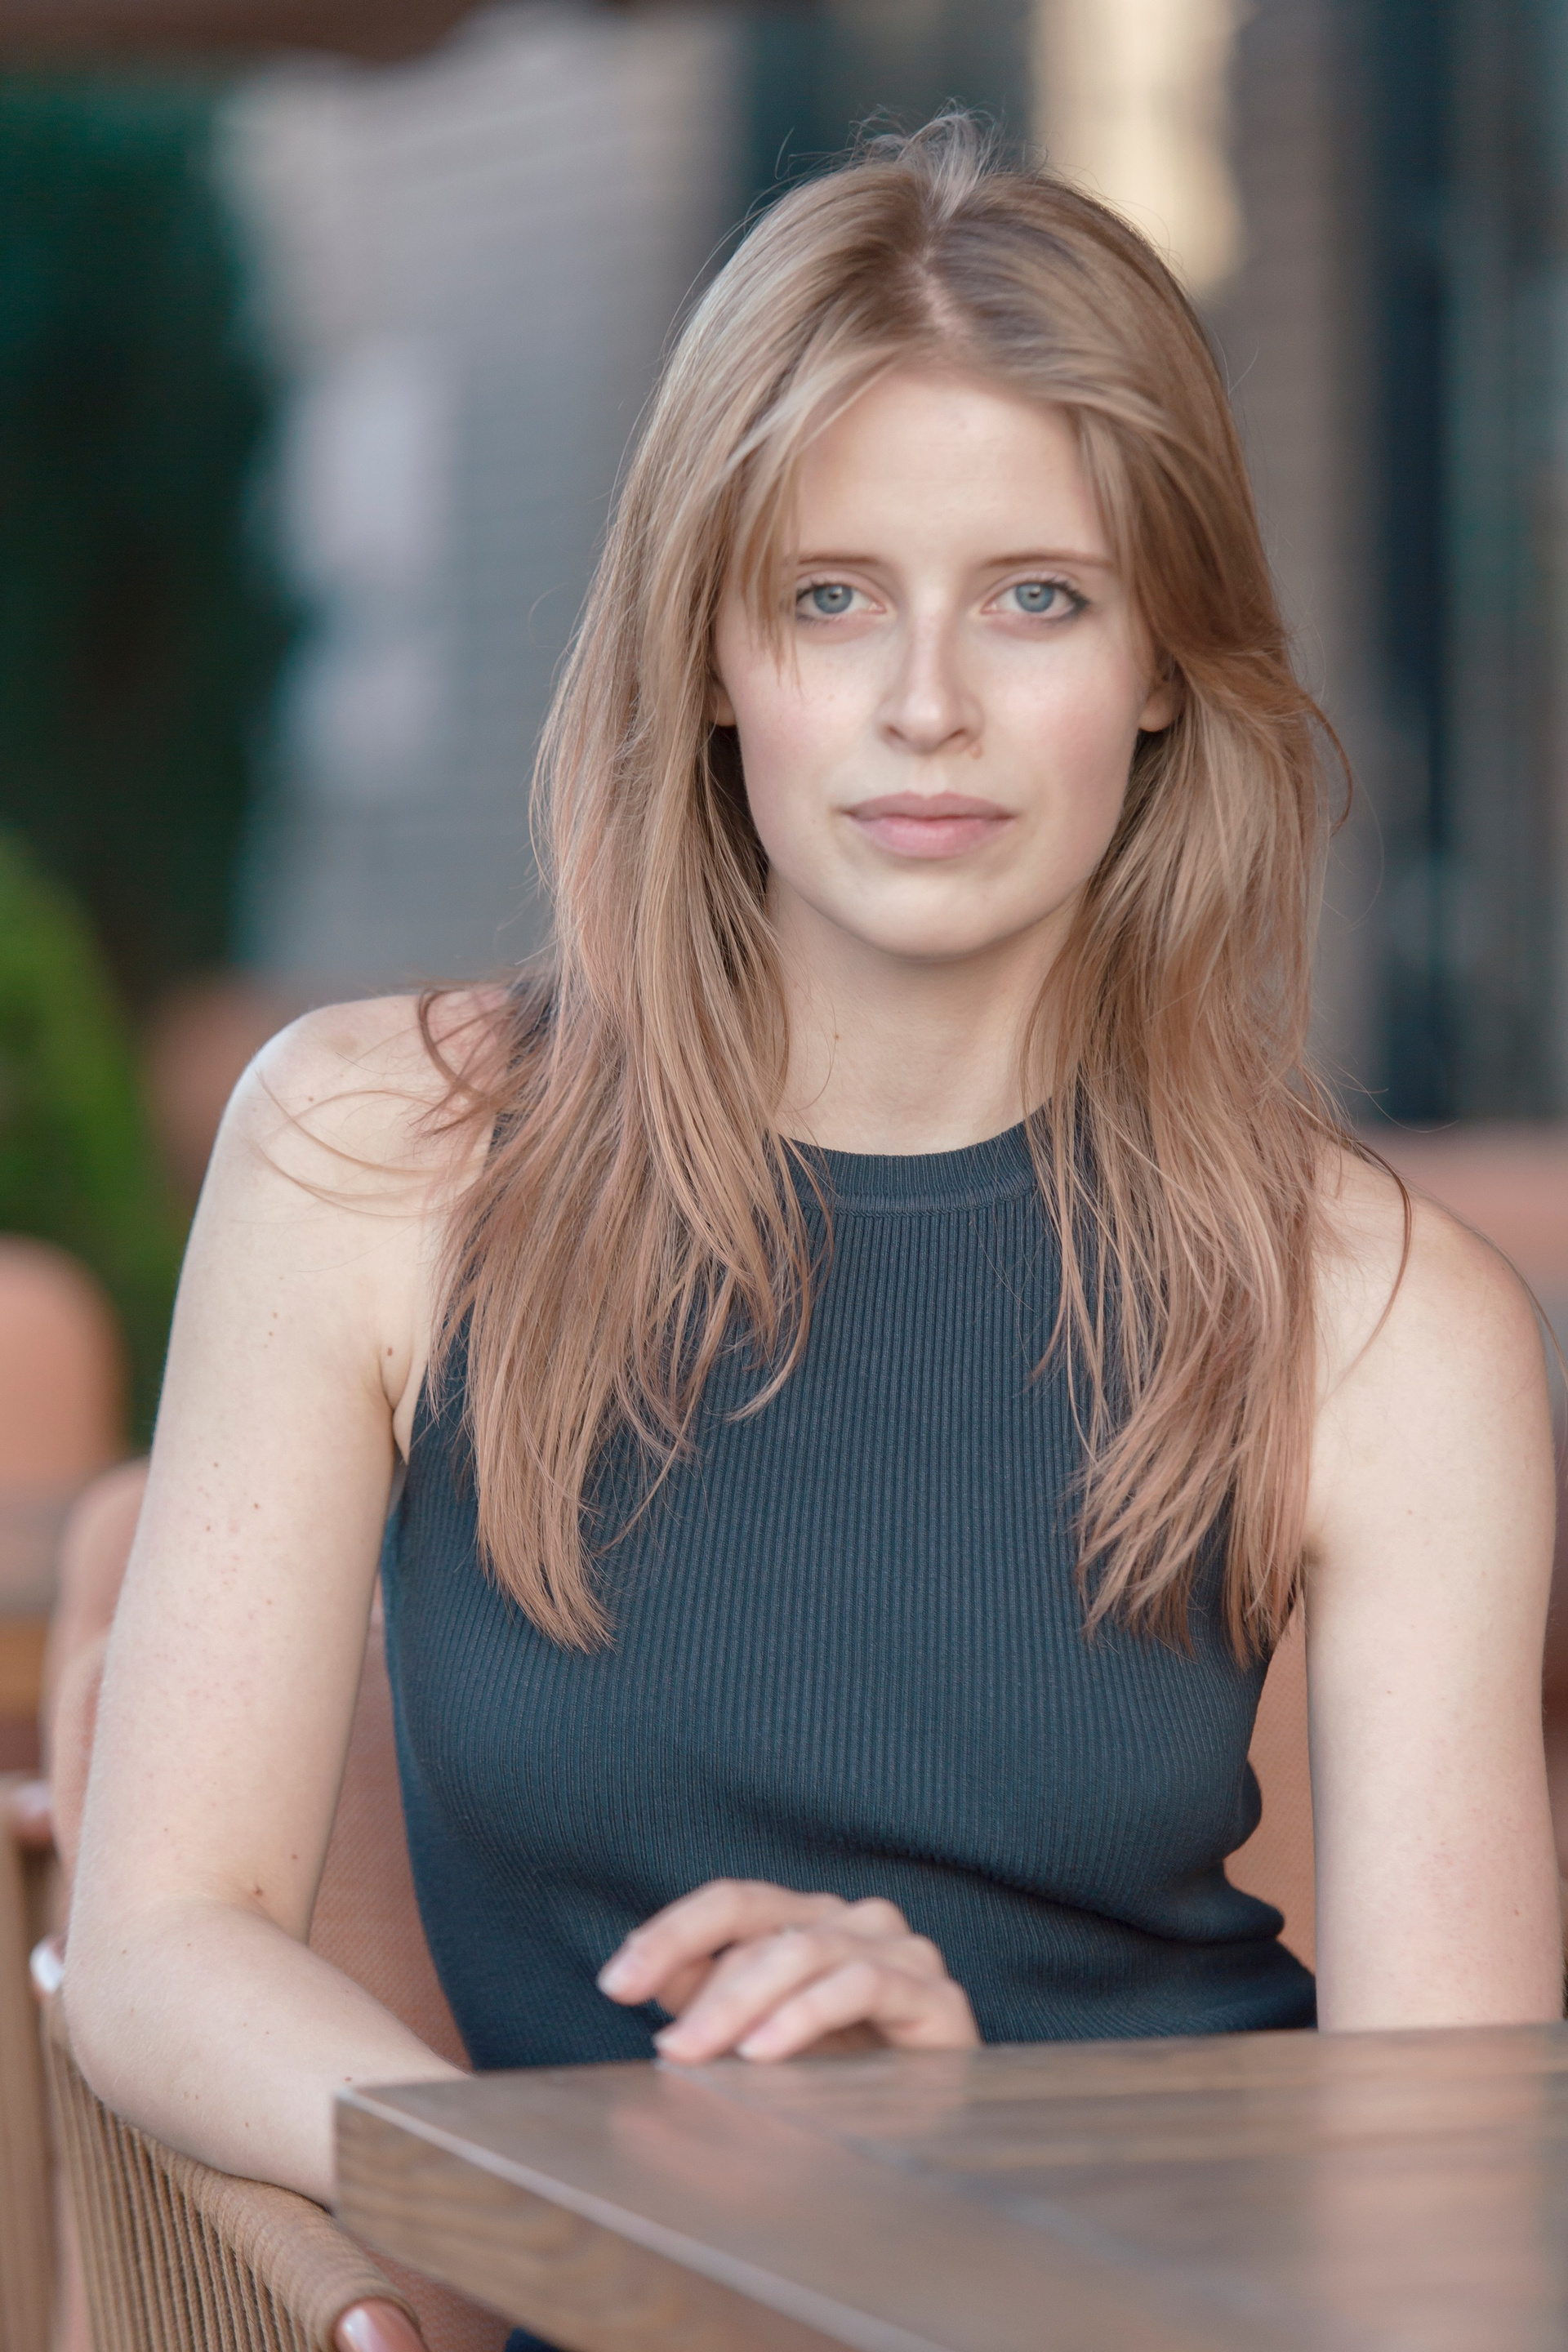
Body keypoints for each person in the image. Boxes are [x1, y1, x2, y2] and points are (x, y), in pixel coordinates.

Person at [65, 118, 1561, 2268]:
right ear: (710, 651)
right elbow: (156, 1950)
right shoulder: (378, 1156)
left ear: (1159, 663)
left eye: (1037, 599)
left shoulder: (1382, 1310)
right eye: (830, 599)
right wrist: (584, 2201)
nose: (928, 707)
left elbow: (1443, 2208)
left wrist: (951, 2166)